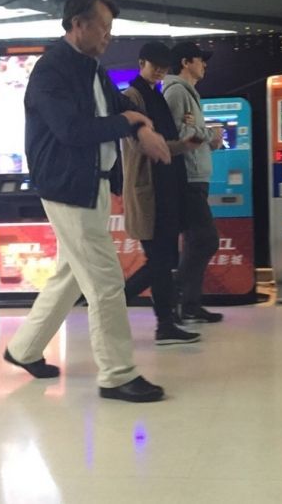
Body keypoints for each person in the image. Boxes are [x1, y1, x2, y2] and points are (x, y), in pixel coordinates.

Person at [3, 0, 171, 403]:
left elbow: (120, 107)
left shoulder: (92, 69)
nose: (109, 36)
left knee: (71, 275)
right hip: (67, 187)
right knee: (105, 281)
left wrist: (139, 124)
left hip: (91, 184)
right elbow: (72, 130)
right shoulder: (52, 71)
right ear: (78, 24)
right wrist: (129, 121)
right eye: (104, 27)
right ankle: (117, 374)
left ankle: (23, 349)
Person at [122, 42, 201, 345]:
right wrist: (181, 146)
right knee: (159, 260)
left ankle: (164, 323)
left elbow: (162, 141)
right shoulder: (132, 97)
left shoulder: (155, 95)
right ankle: (123, 305)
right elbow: (142, 145)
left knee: (164, 259)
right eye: (155, 65)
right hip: (150, 190)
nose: (159, 71)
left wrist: (184, 144)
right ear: (141, 63)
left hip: (165, 188)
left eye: (164, 67)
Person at [163, 41, 224, 324]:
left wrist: (202, 133)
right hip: (188, 177)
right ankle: (173, 294)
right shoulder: (177, 92)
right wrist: (210, 134)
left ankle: (189, 304)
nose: (204, 65)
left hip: (196, 176)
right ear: (186, 62)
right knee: (206, 239)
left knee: (194, 241)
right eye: (200, 59)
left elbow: (190, 132)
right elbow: (179, 135)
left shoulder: (188, 92)